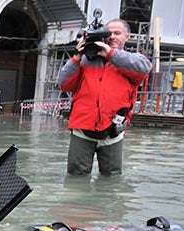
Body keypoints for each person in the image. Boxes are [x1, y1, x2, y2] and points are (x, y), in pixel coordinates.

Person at [58, 19, 152, 176]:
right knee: (76, 176)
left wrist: (110, 54)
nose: (113, 37)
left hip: (113, 130)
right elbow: (64, 84)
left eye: (117, 33)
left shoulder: (133, 60)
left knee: (112, 177)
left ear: (127, 37)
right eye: (109, 33)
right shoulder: (84, 60)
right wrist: (76, 57)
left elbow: (144, 68)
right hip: (83, 128)